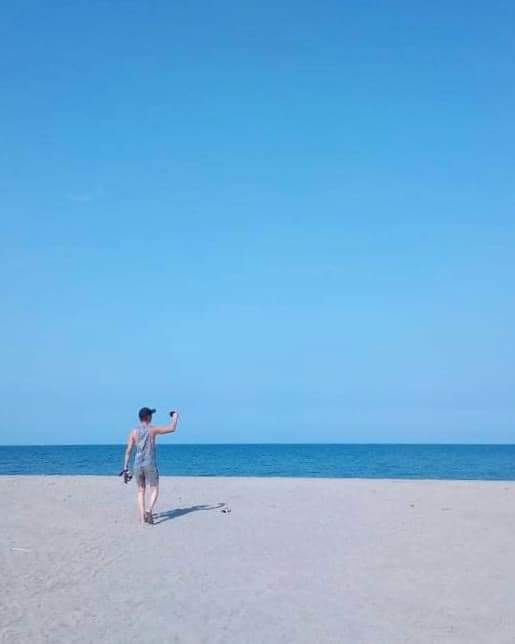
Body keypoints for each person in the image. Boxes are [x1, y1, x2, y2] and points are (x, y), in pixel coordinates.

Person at [121, 407, 179, 524]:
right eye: (151, 415)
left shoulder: (134, 431)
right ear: (147, 417)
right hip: (149, 463)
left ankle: (142, 517)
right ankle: (149, 510)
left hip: (137, 464)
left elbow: (128, 451)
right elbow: (172, 428)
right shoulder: (152, 429)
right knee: (155, 488)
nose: (152, 417)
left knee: (140, 490)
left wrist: (125, 468)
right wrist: (175, 417)